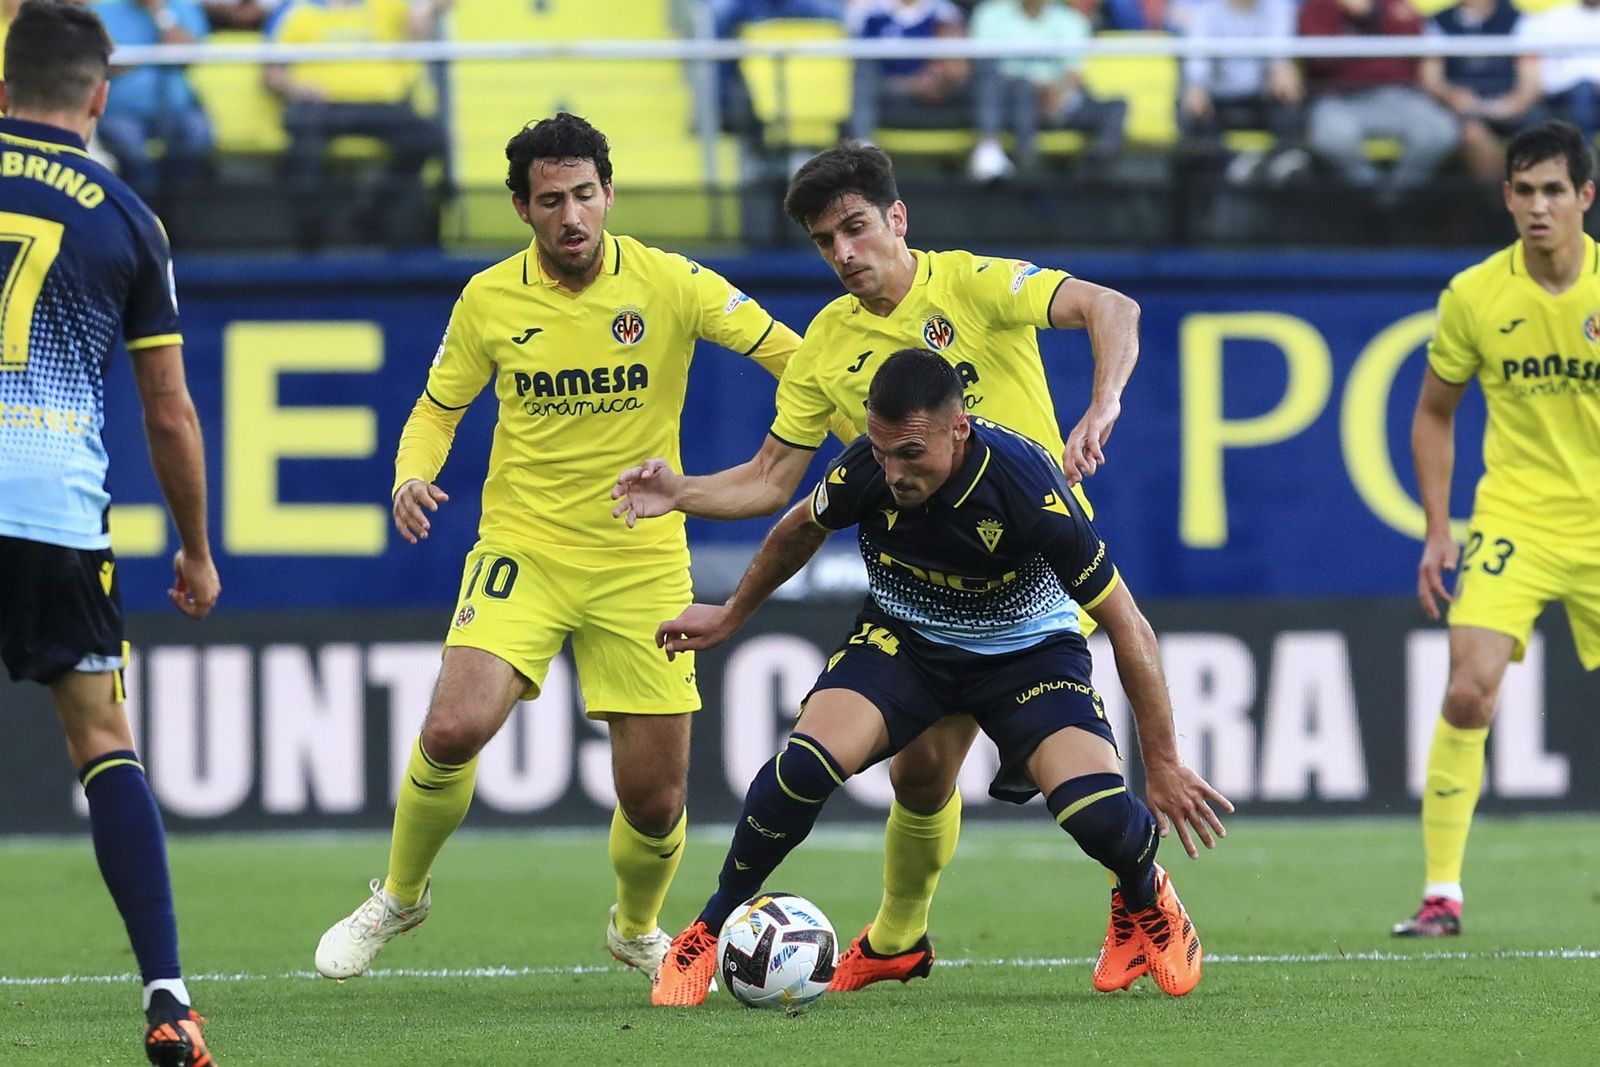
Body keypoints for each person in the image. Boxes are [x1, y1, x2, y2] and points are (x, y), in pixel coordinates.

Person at [311, 112, 841, 984]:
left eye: (585, 195)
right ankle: (400, 895)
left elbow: (800, 358)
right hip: (525, 546)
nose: (572, 216)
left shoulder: (672, 282)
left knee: (655, 798)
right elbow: (438, 408)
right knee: (453, 725)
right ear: (522, 208)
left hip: (641, 559)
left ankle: (636, 927)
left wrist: (865, 419)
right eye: (551, 200)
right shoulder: (489, 299)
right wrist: (411, 474)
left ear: (609, 194)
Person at [613, 140, 1140, 993]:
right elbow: (772, 480)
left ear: (898, 217)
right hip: (925, 594)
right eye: (826, 240)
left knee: (1036, 786)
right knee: (921, 773)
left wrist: (1103, 402)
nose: (844, 252)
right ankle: (898, 937)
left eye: (856, 227)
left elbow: (1109, 305)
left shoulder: (972, 285)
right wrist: (681, 491)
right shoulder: (826, 344)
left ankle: (1135, 896)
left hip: (1026, 589)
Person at [648, 350, 1231, 1006]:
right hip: (906, 643)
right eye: (882, 452)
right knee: (804, 766)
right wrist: (731, 613)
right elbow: (800, 528)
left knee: (1098, 817)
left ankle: (1145, 896)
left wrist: (1164, 763)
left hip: (1025, 654)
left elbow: (1129, 625)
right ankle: (710, 925)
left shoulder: (1026, 487)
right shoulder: (867, 469)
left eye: (911, 454)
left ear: (959, 429)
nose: (894, 473)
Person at [0, 3, 221, 1064]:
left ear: (3, 88)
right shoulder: (128, 216)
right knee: (100, 738)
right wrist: (196, 548)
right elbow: (167, 410)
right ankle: (168, 997)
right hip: (49, 505)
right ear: (98, 95)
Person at [1395, 119, 1600, 938]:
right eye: (1525, 190)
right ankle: (1441, 893)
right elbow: (1433, 413)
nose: (1539, 206)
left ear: (1585, 196)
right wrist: (1438, 528)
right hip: (1517, 518)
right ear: (1506, 197)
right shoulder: (1475, 294)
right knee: (1468, 688)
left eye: (1555, 190)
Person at [262, 0, 450, 247]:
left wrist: (426, 8)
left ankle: (374, 211)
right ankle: (310, 230)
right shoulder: (296, 10)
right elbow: (270, 73)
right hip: (320, 107)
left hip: (383, 106)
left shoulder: (388, 5)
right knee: (304, 142)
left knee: (427, 137)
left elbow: (429, 15)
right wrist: (297, 89)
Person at [1297, 0, 1459, 205]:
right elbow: (1321, 60)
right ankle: (1371, 194)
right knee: (1329, 137)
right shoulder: (1318, 6)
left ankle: (1393, 198)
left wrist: (1372, 13)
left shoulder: (1393, 4)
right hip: (1340, 98)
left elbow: (1414, 42)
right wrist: (1352, 17)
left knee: (1441, 130)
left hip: (1399, 96)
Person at [966, 0, 1129, 182]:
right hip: (1010, 101)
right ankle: (1020, 161)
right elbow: (984, 69)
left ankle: (1096, 173)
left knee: (1116, 107)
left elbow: (1073, 73)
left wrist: (1058, 94)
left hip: (1057, 98)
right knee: (1021, 91)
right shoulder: (991, 14)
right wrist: (1033, 88)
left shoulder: (1069, 20)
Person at [93, 0, 215, 208]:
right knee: (130, 148)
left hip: (179, 109)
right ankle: (144, 209)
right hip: (121, 111)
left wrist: (161, 14)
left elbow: (185, 53)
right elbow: (97, 60)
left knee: (198, 134)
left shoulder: (184, 8)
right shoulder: (102, 11)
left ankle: (177, 206)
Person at [1176, 0, 1307, 187]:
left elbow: (1280, 55)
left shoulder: (1277, 7)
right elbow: (1197, 65)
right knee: (1191, 107)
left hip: (1261, 99)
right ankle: (1231, 164)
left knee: (1288, 93)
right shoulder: (1207, 12)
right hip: (1220, 102)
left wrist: (1280, 68)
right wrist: (1197, 86)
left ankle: (1285, 162)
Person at [1419, 0, 1540, 184]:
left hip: (1512, 109)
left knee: (1540, 137)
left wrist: (1513, 104)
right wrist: (1451, 96)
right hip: (1460, 112)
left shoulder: (1518, 19)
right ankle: (1501, 195)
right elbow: (1431, 80)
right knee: (1473, 134)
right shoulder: (1440, 21)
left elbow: (1531, 82)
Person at [1516, 0, 1600, 144]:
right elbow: (1535, 82)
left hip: (1587, 99)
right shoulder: (1550, 20)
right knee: (1582, 94)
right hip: (1558, 98)